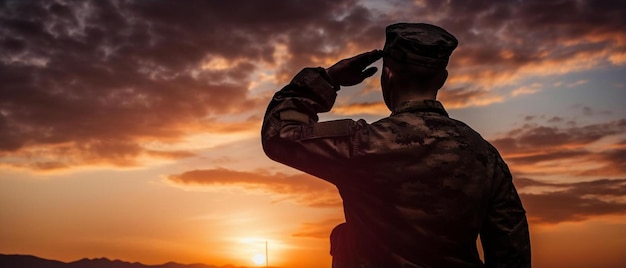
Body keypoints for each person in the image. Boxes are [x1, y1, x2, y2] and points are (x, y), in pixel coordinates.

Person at [261, 23, 531, 268]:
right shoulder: (484, 155)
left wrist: (328, 79)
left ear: (387, 74)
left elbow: (279, 135)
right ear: (442, 79)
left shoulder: (364, 144)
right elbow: (511, 253)